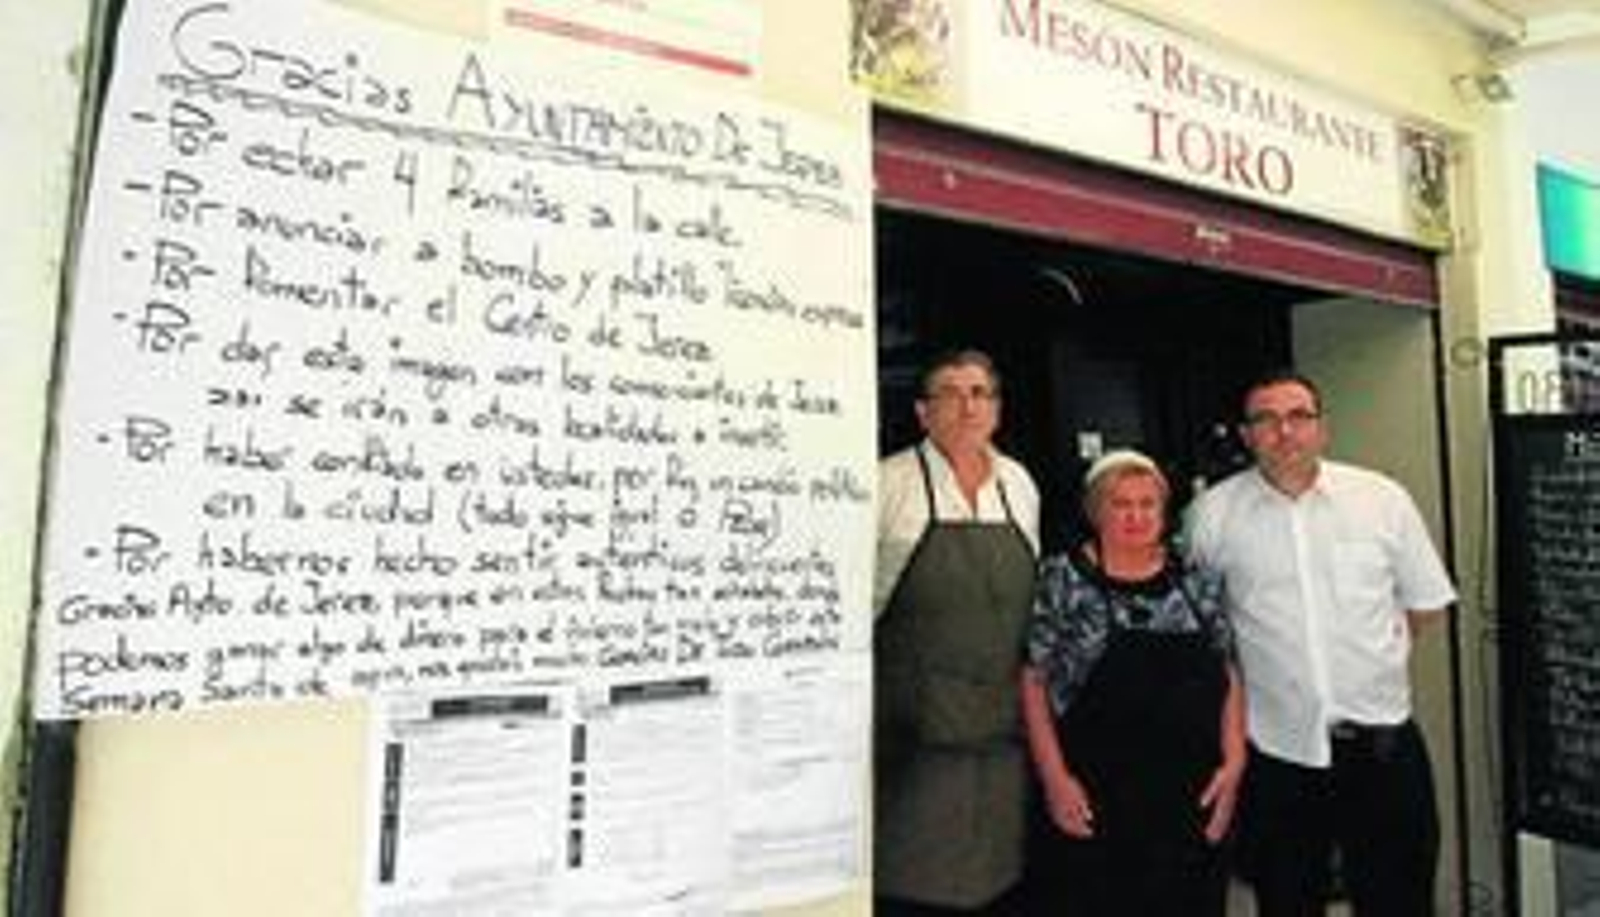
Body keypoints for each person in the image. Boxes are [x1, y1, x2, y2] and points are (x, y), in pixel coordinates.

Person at [1187, 370, 1458, 917]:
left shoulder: (1381, 500)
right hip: (1278, 755)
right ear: (1246, 435)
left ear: (1322, 427)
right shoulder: (1211, 516)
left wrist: (1370, 662)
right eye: (1266, 420)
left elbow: (1425, 604)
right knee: (1287, 901)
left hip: (1382, 750)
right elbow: (1204, 630)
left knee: (1400, 902)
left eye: (1298, 416)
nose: (1284, 432)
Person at [1021, 449, 1246, 917]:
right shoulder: (1064, 577)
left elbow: (1229, 671)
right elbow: (1033, 681)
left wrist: (1233, 764)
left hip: (1191, 797)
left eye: (1148, 504)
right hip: (1095, 799)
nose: (1136, 516)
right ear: (1095, 511)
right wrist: (1055, 779)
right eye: (1120, 504)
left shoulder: (1195, 578)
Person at [874, 348, 1041, 915]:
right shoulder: (887, 485)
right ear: (923, 413)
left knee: (999, 882)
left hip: (1001, 734)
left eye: (979, 393)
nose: (967, 407)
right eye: (949, 393)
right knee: (913, 883)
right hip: (912, 737)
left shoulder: (1018, 484)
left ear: (997, 409)